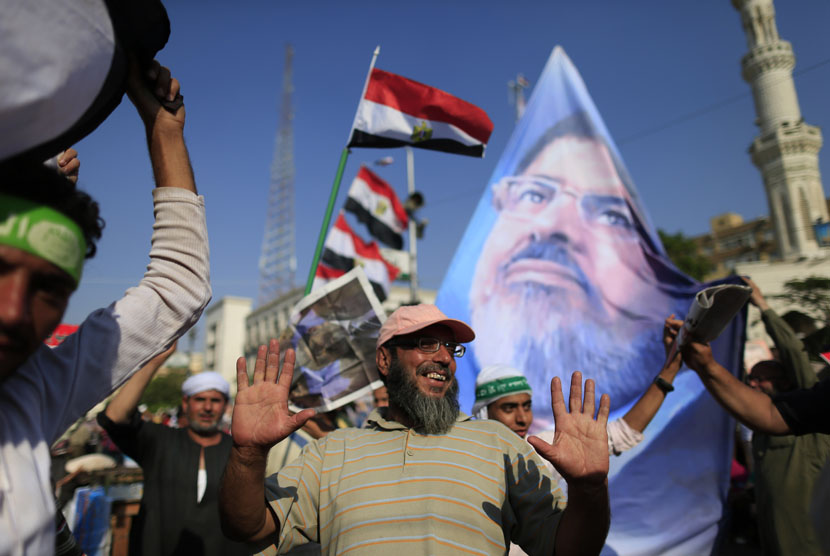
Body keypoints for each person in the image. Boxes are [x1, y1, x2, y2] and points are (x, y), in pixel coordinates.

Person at [0, 60, 211, 555]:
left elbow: (176, 288)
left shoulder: (30, 395)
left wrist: (165, 132)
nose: (13, 311)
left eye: (47, 286)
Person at [219, 304, 611, 556]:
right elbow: (248, 526)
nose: (444, 357)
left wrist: (589, 489)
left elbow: (569, 550)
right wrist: (248, 455)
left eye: (451, 348)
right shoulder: (332, 452)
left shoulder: (499, 443)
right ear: (385, 360)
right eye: (427, 344)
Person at [469, 111, 674, 414]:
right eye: (532, 194)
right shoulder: (451, 450)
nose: (555, 225)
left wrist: (672, 367)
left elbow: (624, 435)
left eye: (610, 215)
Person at [673, 278, 830, 556]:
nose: (755, 384)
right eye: (751, 379)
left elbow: (793, 352)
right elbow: (769, 414)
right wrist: (704, 364)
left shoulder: (804, 385)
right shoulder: (806, 408)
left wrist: (763, 307)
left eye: (764, 379)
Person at [97, 345, 248, 556]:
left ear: (224, 406)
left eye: (215, 401)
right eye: (200, 400)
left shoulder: (238, 452)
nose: (207, 408)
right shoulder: (161, 441)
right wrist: (154, 361)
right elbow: (114, 417)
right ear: (185, 403)